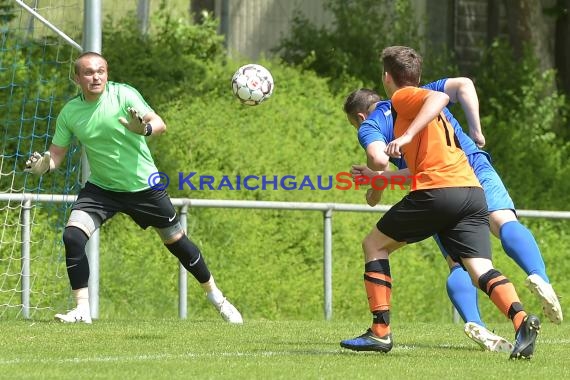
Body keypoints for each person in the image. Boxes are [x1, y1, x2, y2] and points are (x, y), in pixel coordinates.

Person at [339, 46, 540, 360]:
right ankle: (521, 320)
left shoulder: (402, 98)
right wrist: (380, 177)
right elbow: (412, 166)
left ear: (387, 77)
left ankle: (380, 332)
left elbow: (438, 100)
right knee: (479, 269)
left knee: (374, 245)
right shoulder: (420, 112)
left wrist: (398, 145)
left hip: (437, 192)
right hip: (471, 192)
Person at [24, 51, 243, 324]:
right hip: (101, 189)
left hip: (144, 187)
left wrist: (145, 130)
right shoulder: (70, 112)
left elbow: (159, 123)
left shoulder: (124, 94)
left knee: (177, 243)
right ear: (77, 78)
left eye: (101, 71)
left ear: (107, 74)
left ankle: (216, 298)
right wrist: (43, 165)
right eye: (89, 72)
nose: (96, 77)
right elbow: (55, 155)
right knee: (72, 237)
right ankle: (82, 309)